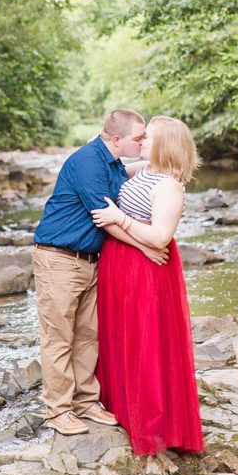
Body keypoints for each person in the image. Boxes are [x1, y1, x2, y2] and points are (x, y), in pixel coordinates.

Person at [32, 109, 170, 436]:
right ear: (117, 139)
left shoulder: (112, 162)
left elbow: (135, 173)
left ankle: (85, 402)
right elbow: (105, 217)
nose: (142, 142)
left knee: (88, 335)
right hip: (60, 259)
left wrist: (164, 167)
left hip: (91, 260)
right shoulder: (88, 163)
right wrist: (146, 247)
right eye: (139, 138)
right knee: (59, 338)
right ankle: (58, 411)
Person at [89, 115, 204, 455]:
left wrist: (119, 218)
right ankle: (121, 408)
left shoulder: (170, 185)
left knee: (145, 340)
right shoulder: (145, 170)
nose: (141, 141)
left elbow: (160, 236)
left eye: (147, 137)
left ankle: (153, 425)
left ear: (165, 144)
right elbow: (107, 168)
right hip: (120, 263)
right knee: (119, 336)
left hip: (146, 269)